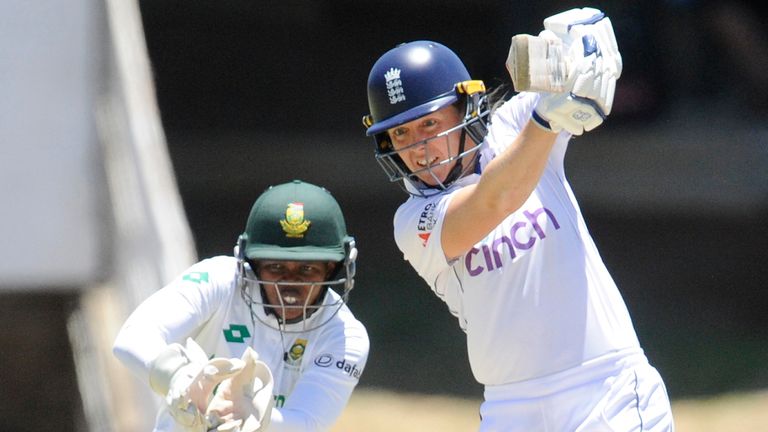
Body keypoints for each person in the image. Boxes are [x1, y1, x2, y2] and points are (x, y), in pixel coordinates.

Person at [361, 7, 674, 431]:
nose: (419, 148)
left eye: (430, 123)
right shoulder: (413, 221)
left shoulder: (512, 125)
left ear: (465, 107)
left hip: (606, 389)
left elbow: (592, 63)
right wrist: (548, 116)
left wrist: (570, 50)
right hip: (511, 409)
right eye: (401, 133)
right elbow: (496, 199)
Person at [113, 180, 369, 432]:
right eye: (276, 267)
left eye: (308, 269)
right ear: (252, 264)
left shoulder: (345, 336)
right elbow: (132, 338)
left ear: (333, 268)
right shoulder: (219, 280)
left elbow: (308, 422)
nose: (289, 285)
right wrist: (180, 380)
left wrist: (254, 416)